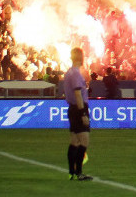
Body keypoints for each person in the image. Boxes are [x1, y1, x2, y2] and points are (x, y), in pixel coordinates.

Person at [61, 46, 93, 181]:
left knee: (74, 141)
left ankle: (71, 172)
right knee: (84, 140)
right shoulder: (75, 74)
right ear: (81, 58)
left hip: (72, 108)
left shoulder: (69, 73)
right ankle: (79, 172)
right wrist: (83, 114)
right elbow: (78, 95)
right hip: (78, 109)